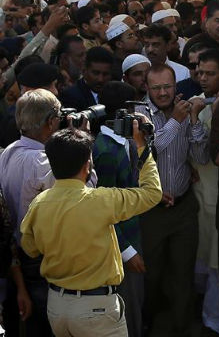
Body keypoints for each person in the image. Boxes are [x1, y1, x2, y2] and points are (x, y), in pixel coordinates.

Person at [20, 122, 161, 337]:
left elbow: (30, 248)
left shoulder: (38, 203)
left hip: (57, 308)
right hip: (97, 310)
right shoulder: (101, 200)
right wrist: (142, 146)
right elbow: (152, 193)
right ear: (88, 165)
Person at [136, 63, 210, 337]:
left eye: (168, 86)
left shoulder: (183, 109)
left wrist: (192, 121)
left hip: (182, 206)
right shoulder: (139, 115)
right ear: (147, 88)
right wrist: (177, 121)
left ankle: (183, 326)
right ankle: (149, 323)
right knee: (151, 273)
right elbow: (148, 153)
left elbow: (201, 157)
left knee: (183, 270)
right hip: (151, 210)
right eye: (157, 88)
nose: (163, 93)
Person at [0, 89, 71, 337]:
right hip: (42, 258)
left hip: (15, 257)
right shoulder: (44, 162)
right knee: (47, 326)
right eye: (59, 118)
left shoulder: (8, 152)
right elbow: (80, 193)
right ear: (51, 122)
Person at [93, 81, 150, 337]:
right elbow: (102, 210)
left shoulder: (124, 143)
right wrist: (127, 252)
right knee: (127, 315)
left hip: (134, 237)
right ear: (122, 113)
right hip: (120, 250)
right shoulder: (105, 151)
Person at [189, 50, 219, 336]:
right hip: (198, 198)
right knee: (201, 262)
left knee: (216, 266)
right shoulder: (195, 103)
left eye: (210, 73)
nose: (202, 78)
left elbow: (208, 157)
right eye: (200, 72)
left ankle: (214, 322)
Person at [60, 47, 113, 111]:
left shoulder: (115, 94)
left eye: (105, 74)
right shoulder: (71, 96)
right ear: (84, 70)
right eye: (96, 73)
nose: (100, 79)